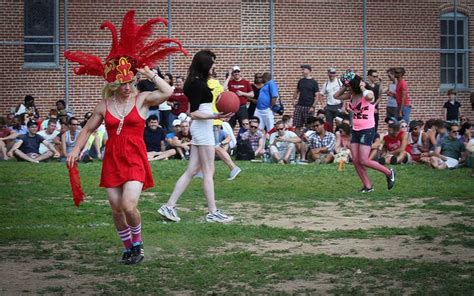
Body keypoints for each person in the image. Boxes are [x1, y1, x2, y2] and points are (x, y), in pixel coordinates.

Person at [64, 10, 187, 264]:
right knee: (116, 207)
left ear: (133, 79)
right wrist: (76, 149)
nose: (126, 86)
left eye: (129, 81)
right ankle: (128, 246)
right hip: (113, 157)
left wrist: (149, 73)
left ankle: (138, 245)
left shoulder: (142, 100)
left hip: (134, 157)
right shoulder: (104, 104)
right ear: (112, 83)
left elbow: (169, 91)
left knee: (129, 205)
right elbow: (87, 129)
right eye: (121, 83)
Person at [158, 50, 234, 223]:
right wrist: (215, 116)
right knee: (208, 171)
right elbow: (194, 113)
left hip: (202, 127)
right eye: (212, 63)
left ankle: (169, 206)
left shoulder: (196, 81)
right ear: (205, 64)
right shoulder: (198, 84)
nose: (214, 66)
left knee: (192, 170)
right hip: (203, 128)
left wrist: (217, 114)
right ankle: (212, 212)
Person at [334, 72, 395, 193]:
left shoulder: (367, 92)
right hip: (356, 129)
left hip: (367, 129)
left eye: (350, 85)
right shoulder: (352, 94)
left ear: (356, 84)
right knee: (356, 160)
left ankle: (389, 173)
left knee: (364, 160)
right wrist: (344, 86)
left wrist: (362, 86)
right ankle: (368, 186)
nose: (348, 87)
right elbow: (336, 96)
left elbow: (369, 96)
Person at [292, 64, 319, 135]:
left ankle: (308, 141)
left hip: (309, 107)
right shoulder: (300, 81)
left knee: (309, 125)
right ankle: (297, 141)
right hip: (299, 106)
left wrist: (313, 106)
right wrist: (293, 100)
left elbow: (317, 96)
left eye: (304, 69)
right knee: (297, 125)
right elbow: (296, 91)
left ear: (309, 70)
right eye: (302, 69)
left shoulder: (314, 82)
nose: (302, 71)